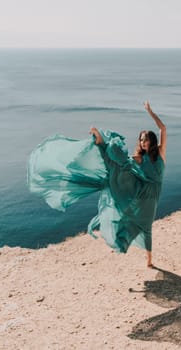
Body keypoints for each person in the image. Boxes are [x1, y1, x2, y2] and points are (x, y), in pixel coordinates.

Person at [27, 101, 166, 268]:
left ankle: (148, 258)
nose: (144, 143)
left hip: (153, 194)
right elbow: (121, 162)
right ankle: (101, 142)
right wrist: (105, 145)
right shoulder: (138, 158)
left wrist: (150, 112)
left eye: (146, 140)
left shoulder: (160, 152)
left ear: (152, 141)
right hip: (142, 193)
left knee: (146, 224)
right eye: (141, 140)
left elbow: (163, 128)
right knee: (119, 171)